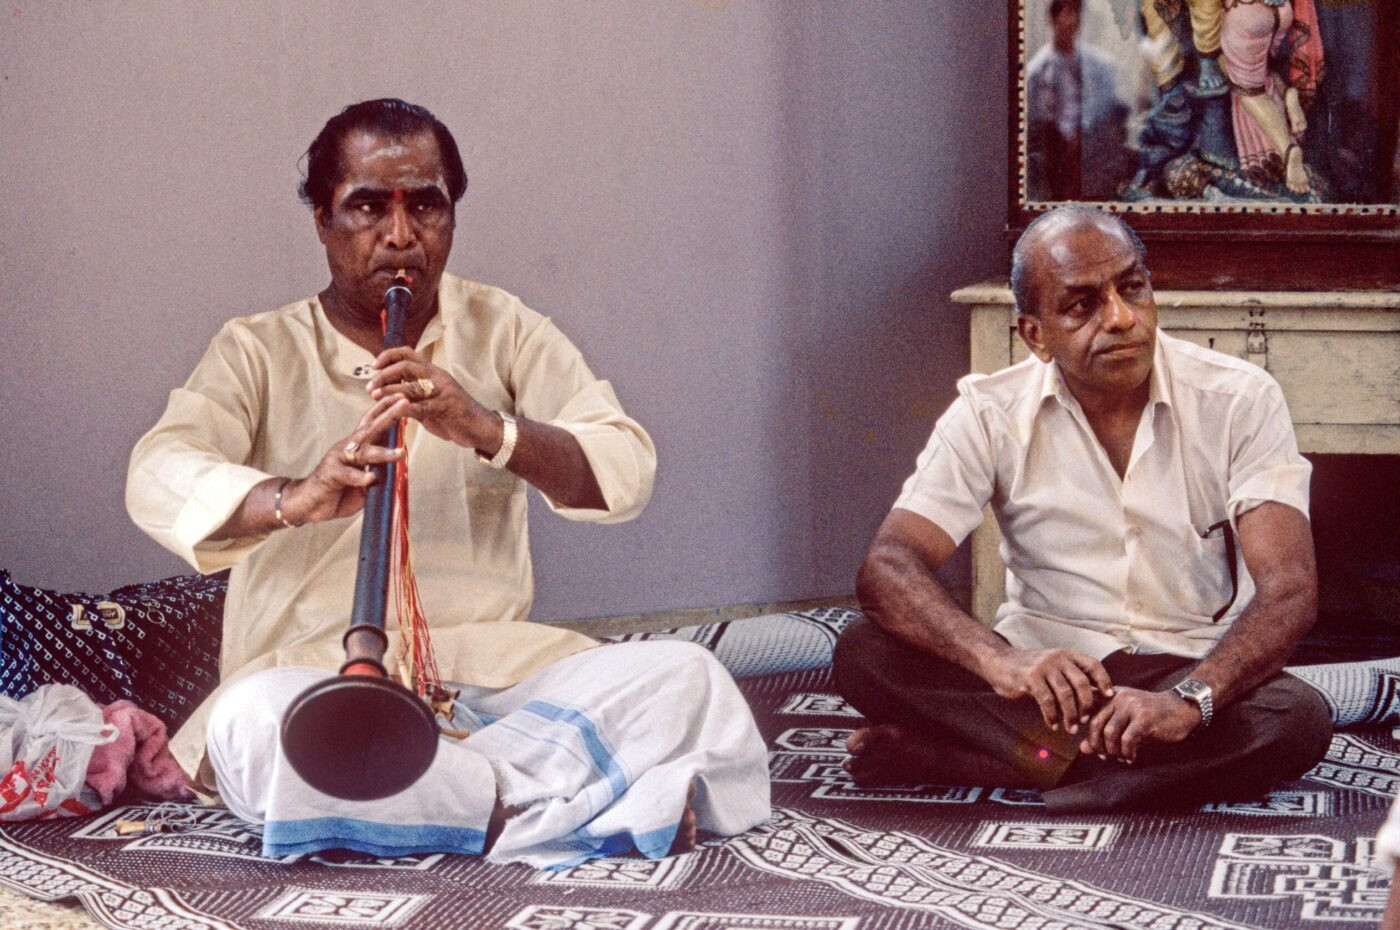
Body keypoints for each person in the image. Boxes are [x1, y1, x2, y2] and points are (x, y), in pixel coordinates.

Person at [126, 99, 768, 863]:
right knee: (254, 728)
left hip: (495, 683)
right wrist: (291, 498)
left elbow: (625, 469)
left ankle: (451, 802)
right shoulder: (256, 350)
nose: (399, 237)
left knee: (689, 680)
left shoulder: (506, 329)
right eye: (367, 207)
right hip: (315, 680)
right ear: (323, 222)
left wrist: (487, 429)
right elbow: (158, 470)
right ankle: (563, 808)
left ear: (451, 216)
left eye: (424, 206)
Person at [834, 205, 1332, 812]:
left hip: (1184, 671)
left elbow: (1289, 587)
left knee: (1296, 718)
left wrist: (1187, 701)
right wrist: (1002, 661)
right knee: (864, 650)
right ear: (1034, 334)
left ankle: (1002, 765)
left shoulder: (1240, 400)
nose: (1121, 319)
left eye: (1132, 288)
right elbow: (887, 567)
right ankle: (1103, 773)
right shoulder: (989, 414)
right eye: (1081, 305)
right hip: (1045, 690)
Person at [1025, 0, 1131, 200]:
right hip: (1054, 159)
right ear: (1052, 18)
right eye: (1065, 13)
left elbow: (1110, 112)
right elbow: (1034, 124)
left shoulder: (1101, 67)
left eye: (1075, 12)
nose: (1071, 20)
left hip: (1091, 155)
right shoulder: (1036, 72)